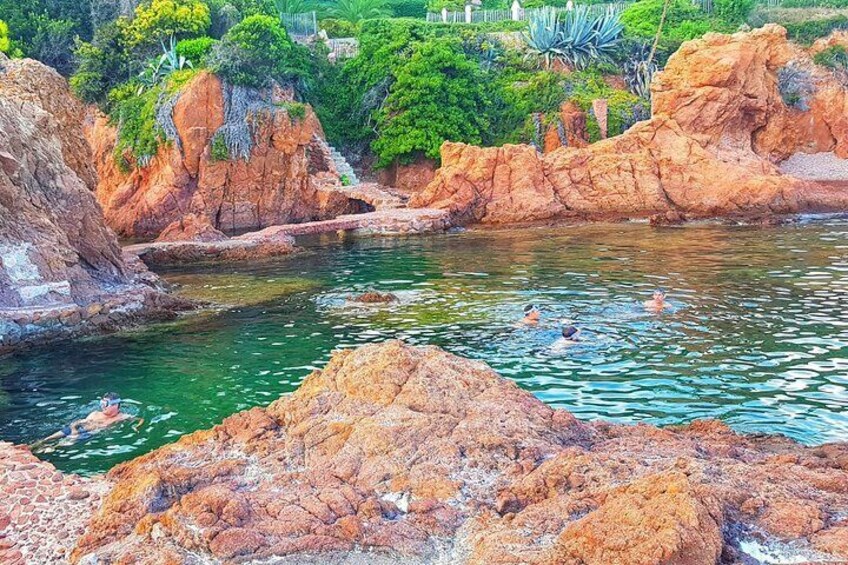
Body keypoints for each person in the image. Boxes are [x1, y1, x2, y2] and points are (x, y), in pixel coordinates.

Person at [32, 393, 143, 446]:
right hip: (78, 428)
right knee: (51, 437)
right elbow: (80, 422)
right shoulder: (95, 414)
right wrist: (74, 429)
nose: (103, 406)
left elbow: (140, 419)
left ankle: (52, 447)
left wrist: (136, 427)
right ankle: (35, 445)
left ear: (115, 405)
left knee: (61, 444)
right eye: (102, 403)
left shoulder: (122, 417)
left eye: (106, 404)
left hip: (89, 433)